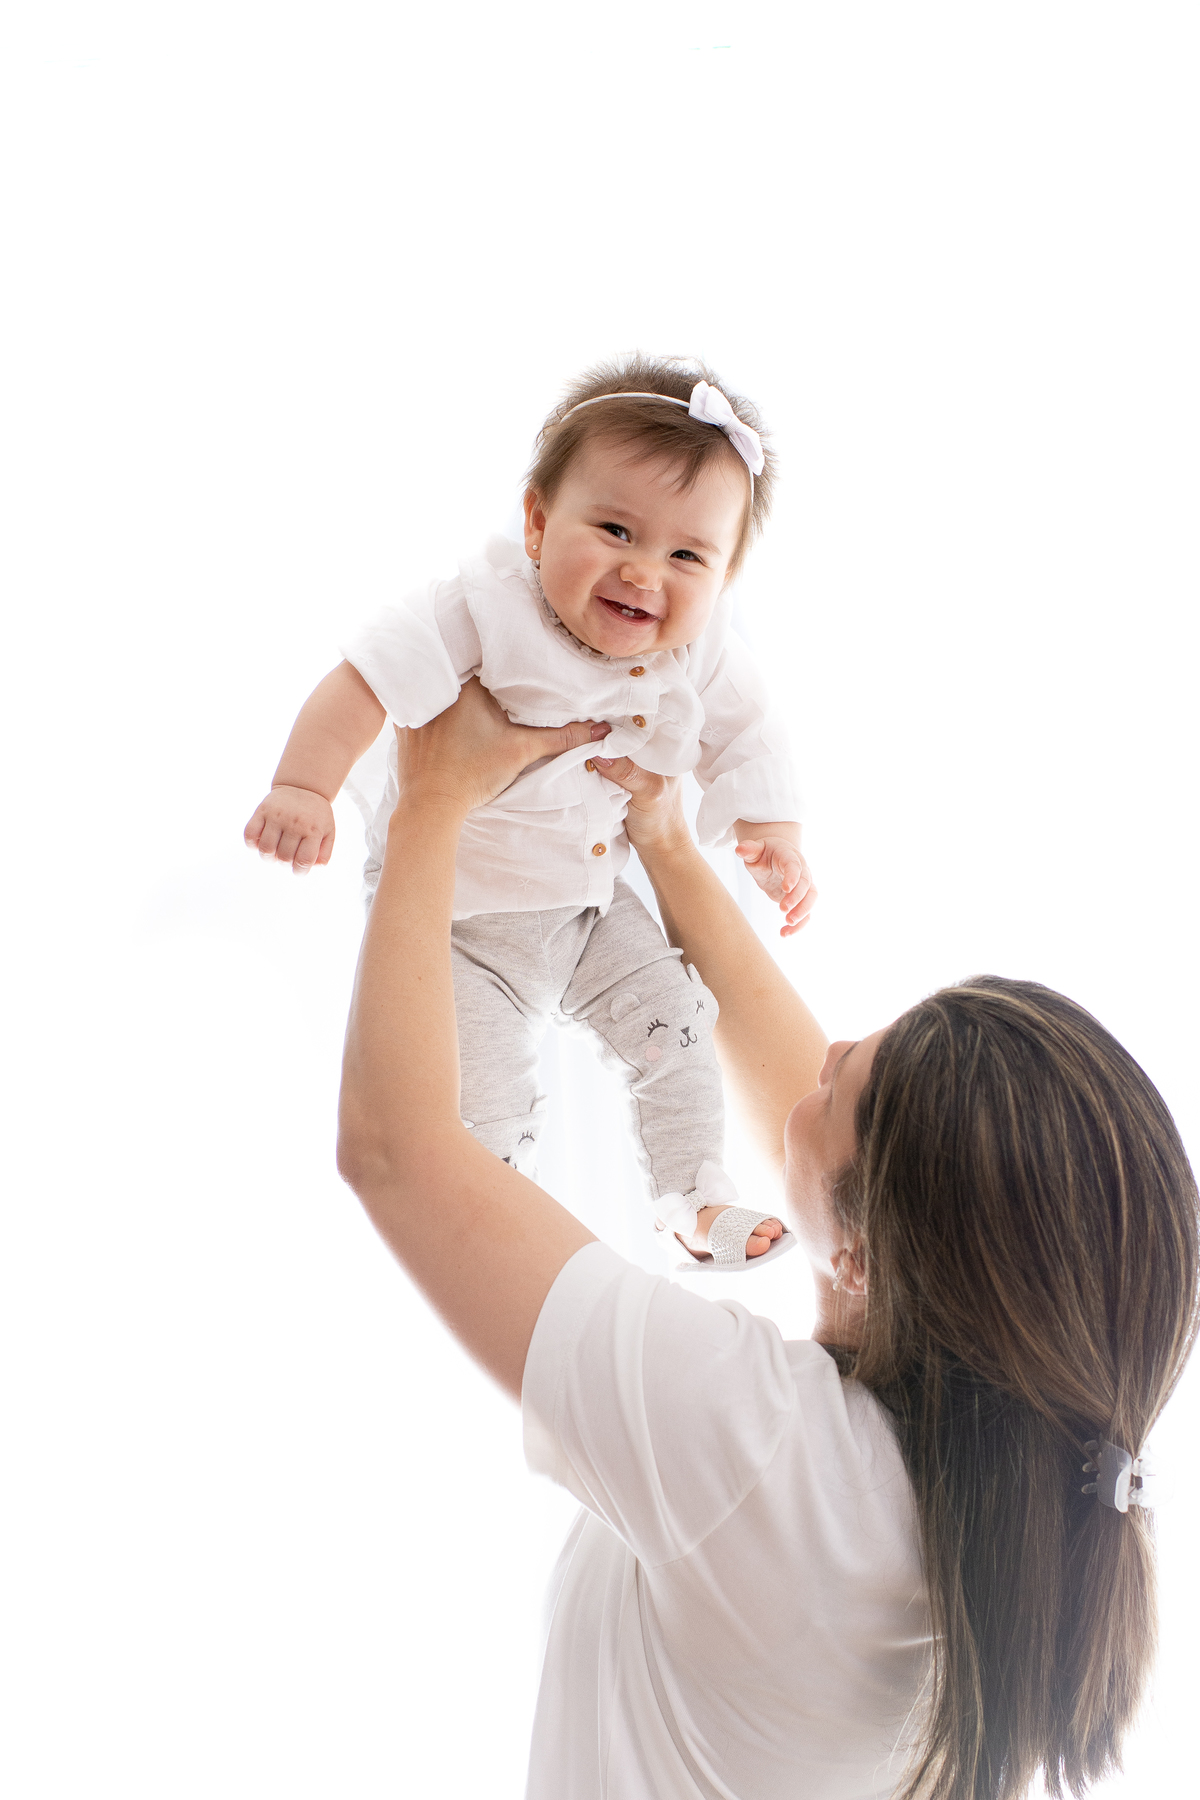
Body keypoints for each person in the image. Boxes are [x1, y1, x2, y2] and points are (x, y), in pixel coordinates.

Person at [336, 679, 1199, 1800]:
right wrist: (663, 843)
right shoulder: (986, 1529)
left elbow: (398, 1153)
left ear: (872, 1258)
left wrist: (430, 800)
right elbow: (854, 1161)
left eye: (848, 1072)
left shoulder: (756, 1449)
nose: (826, 1045)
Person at [246, 355, 815, 1267]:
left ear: (724, 576)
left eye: (686, 555)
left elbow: (750, 736)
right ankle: (491, 1218)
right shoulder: (482, 610)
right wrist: (303, 787)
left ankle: (693, 1198)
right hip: (458, 921)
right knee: (484, 1093)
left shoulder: (702, 648)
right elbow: (363, 679)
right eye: (615, 529)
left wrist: (772, 831)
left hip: (590, 908)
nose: (644, 572)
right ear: (539, 520)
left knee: (678, 1025)